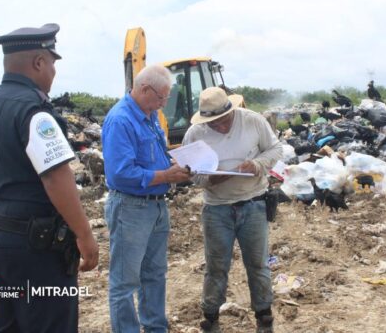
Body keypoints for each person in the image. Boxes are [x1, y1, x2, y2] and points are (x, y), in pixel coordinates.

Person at [0, 23, 99, 332]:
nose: (54, 72)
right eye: (53, 63)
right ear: (39, 62)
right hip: (35, 247)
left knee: (8, 323)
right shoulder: (36, 112)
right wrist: (84, 235)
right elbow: (56, 178)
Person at [182, 87, 283, 333]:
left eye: (224, 120)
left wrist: (258, 165)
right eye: (214, 123)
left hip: (253, 203)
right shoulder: (194, 134)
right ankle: (210, 319)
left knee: (257, 264)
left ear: (232, 110)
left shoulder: (253, 121)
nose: (221, 126)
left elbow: (276, 149)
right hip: (217, 210)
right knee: (216, 266)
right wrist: (208, 180)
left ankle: (264, 318)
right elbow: (189, 173)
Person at [102, 64, 191, 333]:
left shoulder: (149, 114)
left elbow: (154, 155)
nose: (163, 104)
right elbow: (121, 173)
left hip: (155, 206)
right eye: (161, 98)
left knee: (154, 275)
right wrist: (166, 175)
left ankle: (155, 328)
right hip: (131, 207)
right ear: (143, 89)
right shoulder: (121, 120)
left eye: (166, 98)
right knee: (125, 282)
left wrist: (176, 165)